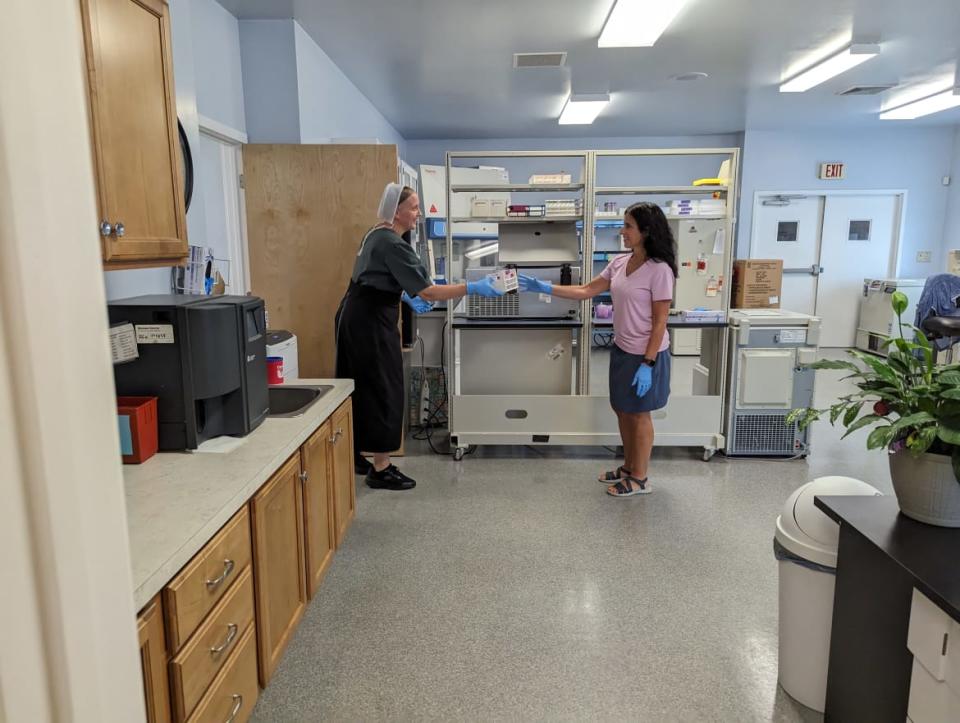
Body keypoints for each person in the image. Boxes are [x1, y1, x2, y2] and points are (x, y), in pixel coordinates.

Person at [335, 183, 504, 491]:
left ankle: (359, 454)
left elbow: (378, 277)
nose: (418, 214)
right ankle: (381, 468)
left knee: (361, 385)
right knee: (385, 387)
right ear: (396, 211)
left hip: (354, 315)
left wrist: (403, 295)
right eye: (413, 207)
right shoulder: (393, 243)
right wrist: (473, 287)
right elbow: (429, 291)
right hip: (371, 322)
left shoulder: (374, 234)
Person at [518, 202, 677, 498]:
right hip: (622, 348)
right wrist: (543, 286)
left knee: (640, 414)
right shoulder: (620, 263)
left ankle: (641, 478)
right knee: (623, 409)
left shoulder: (660, 271)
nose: (623, 231)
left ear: (646, 231)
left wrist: (648, 362)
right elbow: (586, 291)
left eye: (628, 226)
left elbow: (660, 323)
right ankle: (629, 467)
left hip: (646, 354)